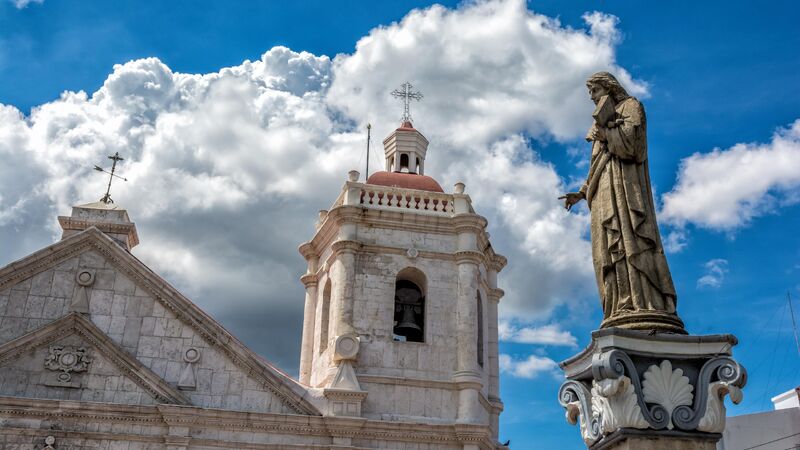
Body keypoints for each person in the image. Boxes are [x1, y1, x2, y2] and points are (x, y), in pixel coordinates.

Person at [560, 72, 684, 333]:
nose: (592, 98)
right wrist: (582, 192)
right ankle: (621, 303)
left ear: (608, 87)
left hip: (625, 184)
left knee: (631, 239)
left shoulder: (631, 106)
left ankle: (646, 301)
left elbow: (632, 148)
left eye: (594, 92)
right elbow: (596, 163)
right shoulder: (599, 124)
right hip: (603, 189)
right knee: (609, 247)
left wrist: (607, 132)